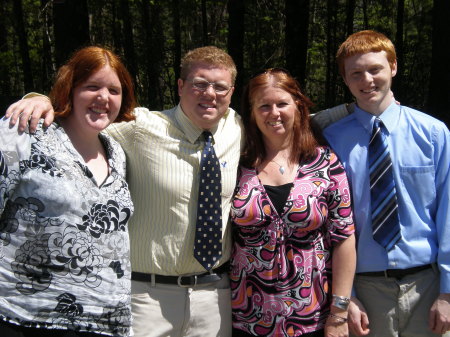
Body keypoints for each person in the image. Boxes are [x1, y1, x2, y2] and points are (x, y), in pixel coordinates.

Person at [5, 46, 243, 337]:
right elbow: (81, 117)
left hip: (213, 297)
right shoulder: (138, 127)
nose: (210, 93)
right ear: (180, 86)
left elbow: (288, 118)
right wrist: (38, 99)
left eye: (220, 86)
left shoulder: (239, 127)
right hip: (147, 298)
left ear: (231, 91)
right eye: (199, 84)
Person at [317, 30, 450, 337]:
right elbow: (329, 224)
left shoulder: (433, 134)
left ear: (393, 67)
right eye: (356, 74)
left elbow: (447, 215)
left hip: (427, 287)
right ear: (345, 80)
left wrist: (447, 292)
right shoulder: (332, 141)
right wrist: (345, 297)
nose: (367, 81)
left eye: (375, 69)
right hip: (364, 291)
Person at [0, 46, 136, 337]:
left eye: (114, 90)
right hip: (26, 317)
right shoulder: (25, 131)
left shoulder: (117, 153)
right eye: (92, 86)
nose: (103, 97)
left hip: (106, 322)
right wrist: (34, 98)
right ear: (70, 89)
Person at [230, 68, 356, 337]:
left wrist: (340, 312)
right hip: (246, 317)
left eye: (282, 104)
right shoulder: (235, 165)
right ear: (251, 113)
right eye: (264, 105)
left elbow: (344, 238)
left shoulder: (325, 163)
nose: (274, 113)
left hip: (313, 316)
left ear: (298, 106)